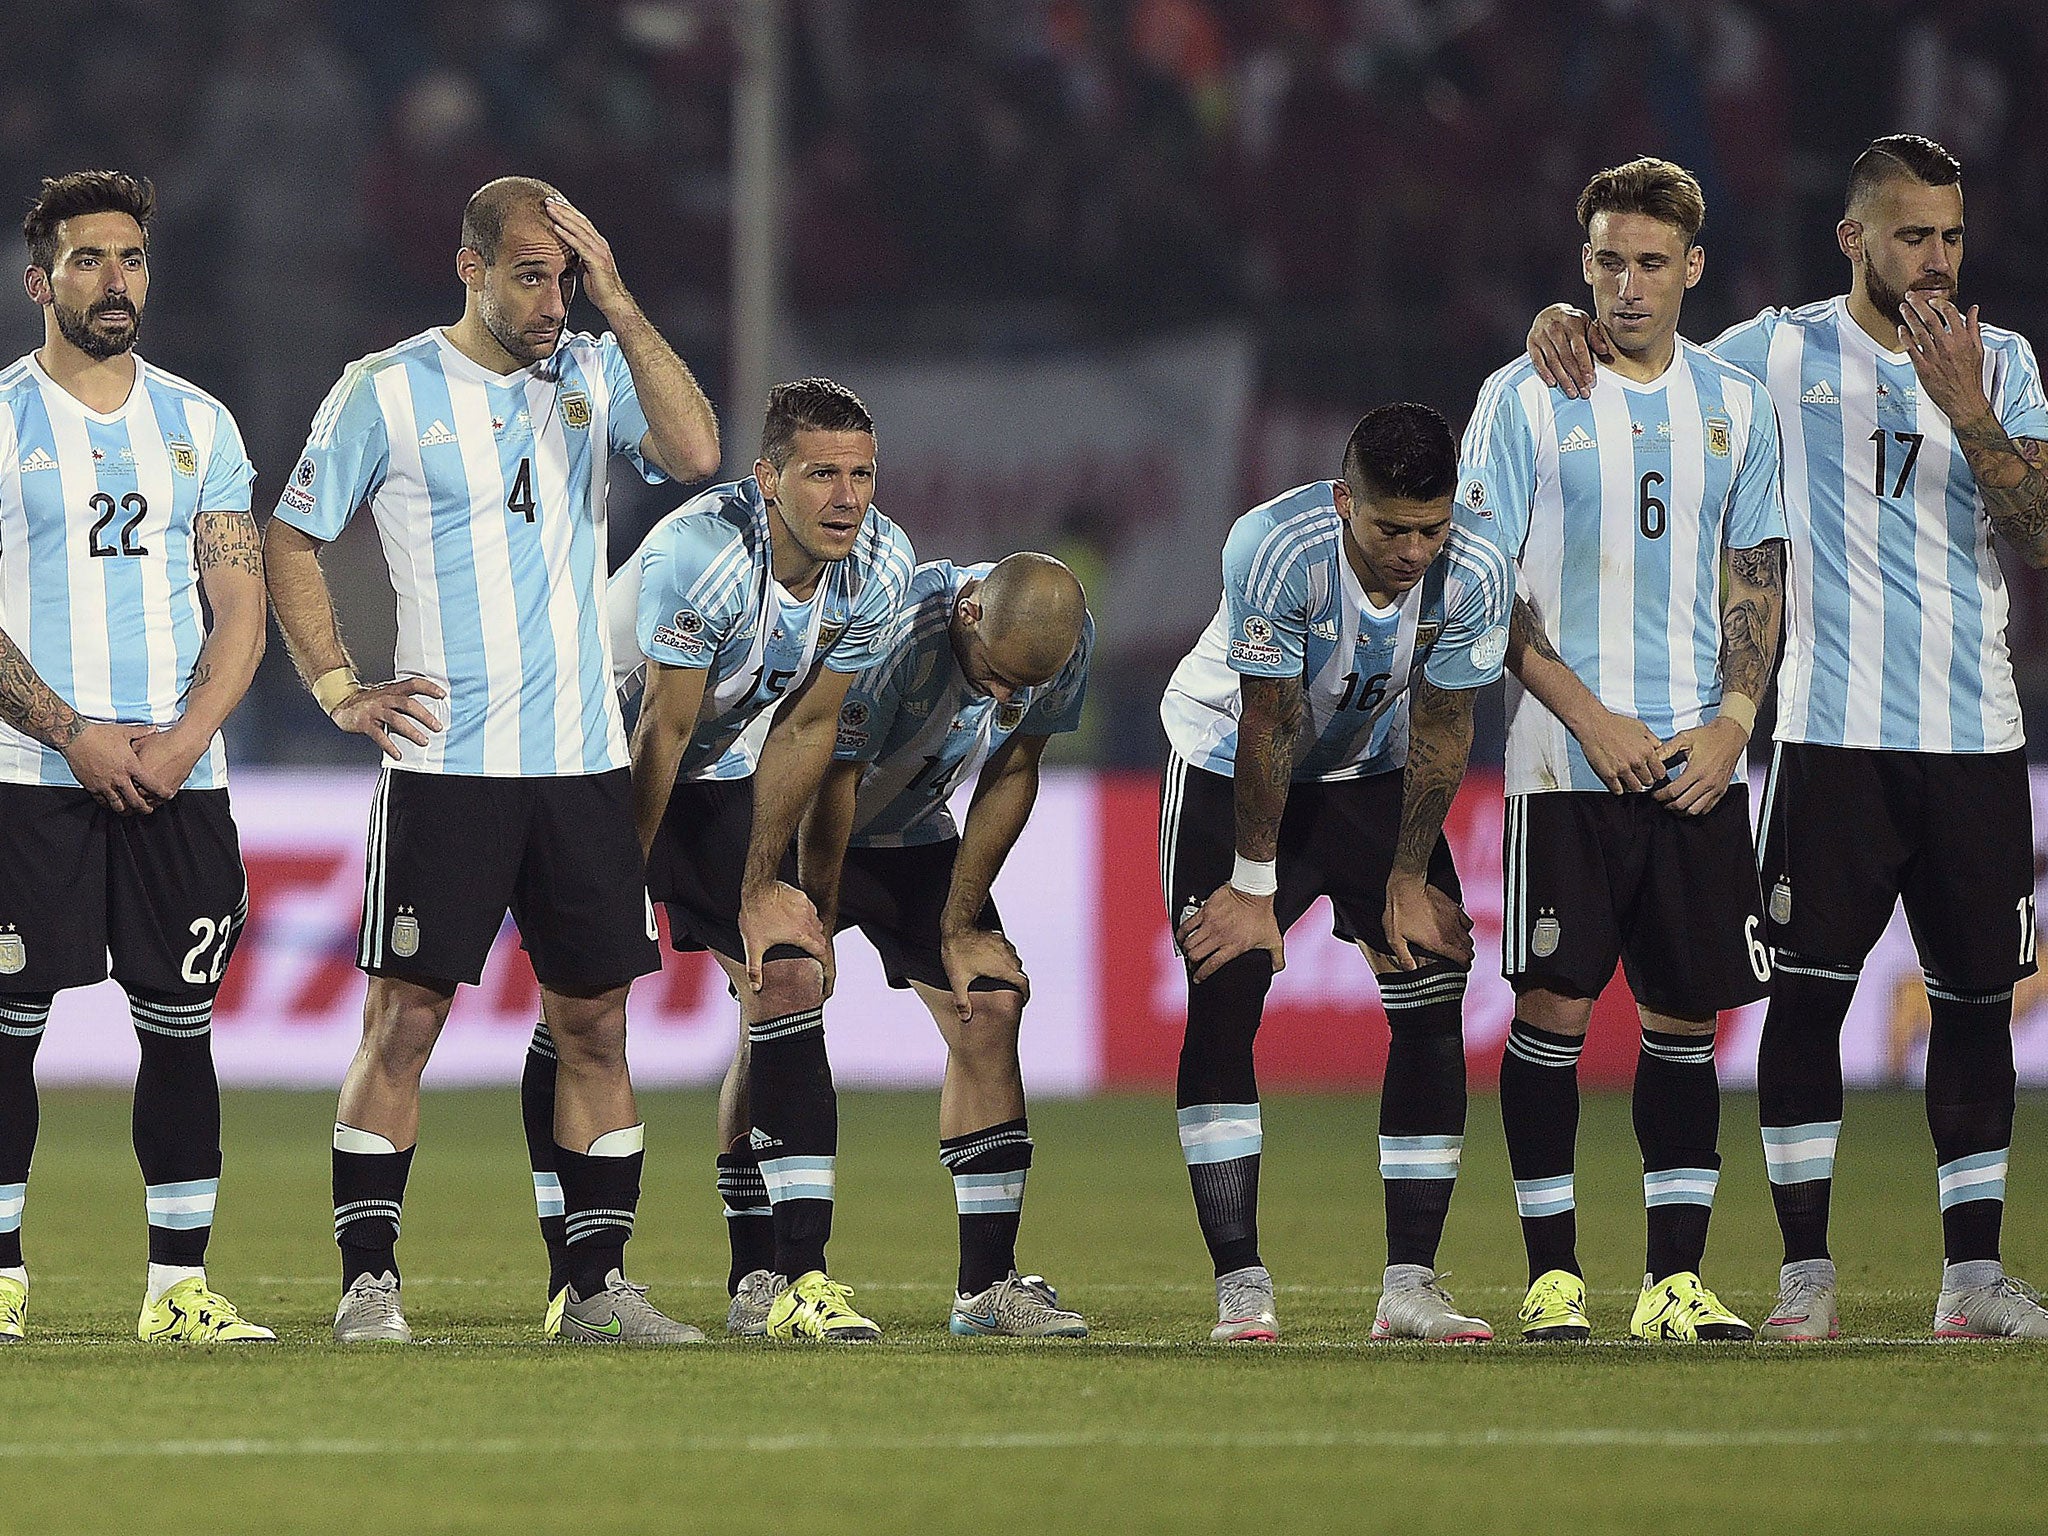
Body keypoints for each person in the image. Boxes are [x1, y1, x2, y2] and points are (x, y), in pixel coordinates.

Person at [1526, 134, 2048, 1341]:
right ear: (1850, 238)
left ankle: (1970, 1281)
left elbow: (2037, 531)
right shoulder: (1773, 352)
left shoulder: (2004, 364)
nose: (1932, 260)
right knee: (1804, 1007)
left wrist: (1965, 405)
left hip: (1975, 740)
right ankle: (1803, 1278)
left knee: (1974, 1010)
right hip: (1821, 737)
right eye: (1908, 235)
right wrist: (1567, 316)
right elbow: (1641, 352)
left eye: (1950, 237)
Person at [263, 175, 720, 1345]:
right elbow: (293, 533)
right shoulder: (389, 388)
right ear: (467, 268)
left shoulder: (591, 368)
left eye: (563, 273)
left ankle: (595, 1287)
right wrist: (335, 682)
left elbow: (697, 450)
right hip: (446, 768)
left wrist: (617, 300)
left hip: (578, 766)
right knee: (403, 1024)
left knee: (596, 1028)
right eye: (532, 273)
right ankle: (370, 1285)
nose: (552, 297)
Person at [1471, 157, 1785, 1344]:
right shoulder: (1519, 396)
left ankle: (1673, 1282)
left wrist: (1731, 723)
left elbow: (1754, 574)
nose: (1625, 283)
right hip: (1563, 762)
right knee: (1551, 1011)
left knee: (1684, 1022)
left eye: (1650, 262)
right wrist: (1584, 716)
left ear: (1691, 269)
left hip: (1697, 763)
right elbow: (1479, 588)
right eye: (1605, 259)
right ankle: (1553, 1276)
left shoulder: (1735, 406)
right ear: (1581, 263)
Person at [1158, 402, 1511, 1344]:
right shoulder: (1275, 547)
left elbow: (1443, 728)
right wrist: (1253, 887)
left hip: (1371, 770)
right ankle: (1241, 1285)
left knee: (1432, 976)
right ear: (1343, 499)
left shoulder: (1474, 566)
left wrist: (1404, 878)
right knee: (1226, 980)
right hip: (1232, 761)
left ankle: (1410, 1287)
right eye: (1391, 528)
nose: (1413, 551)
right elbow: (1270, 721)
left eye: (1431, 528)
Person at [580, 376, 914, 1342]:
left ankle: (778, 1280)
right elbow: (659, 729)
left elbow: (809, 725)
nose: (847, 497)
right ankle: (582, 1273)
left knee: (789, 974)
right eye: (822, 475)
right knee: (587, 1000)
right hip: (597, 758)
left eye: (861, 474)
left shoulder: (881, 565)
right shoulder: (702, 557)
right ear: (767, 478)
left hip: (717, 764)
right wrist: (617, 891)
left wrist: (771, 884)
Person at [0, 171, 271, 1343]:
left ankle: (179, 1289)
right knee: (10, 1028)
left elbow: (240, 602)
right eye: (89, 259)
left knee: (180, 1025)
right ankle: (2, 1277)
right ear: (39, 280)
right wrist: (72, 732)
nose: (118, 280)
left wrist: (182, 741)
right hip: (25, 781)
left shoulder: (199, 423)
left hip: (177, 782)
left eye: (133, 258)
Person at [801, 551, 1092, 1337]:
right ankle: (762, 1275)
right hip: (807, 829)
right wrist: (814, 924)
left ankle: (985, 1289)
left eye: (1023, 687)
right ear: (970, 613)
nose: (1006, 697)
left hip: (912, 836)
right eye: (997, 676)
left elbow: (1012, 768)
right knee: (777, 1015)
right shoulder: (899, 631)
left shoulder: (1061, 640)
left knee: (990, 1008)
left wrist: (961, 926)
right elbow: (833, 780)